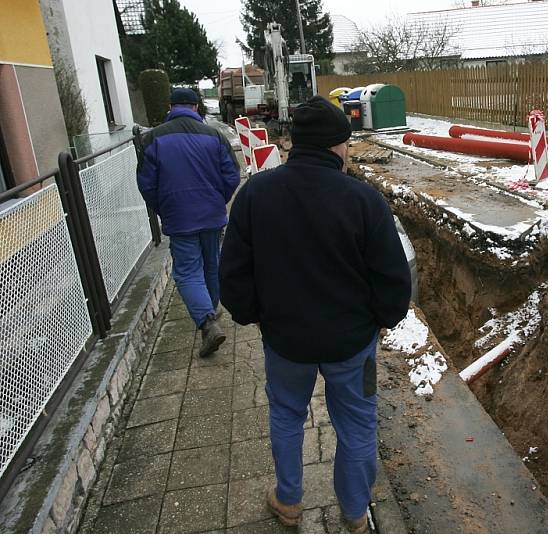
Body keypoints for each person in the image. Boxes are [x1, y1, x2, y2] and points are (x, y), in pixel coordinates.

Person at [219, 96, 411, 533]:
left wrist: (254, 316)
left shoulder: (255, 195)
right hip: (351, 343)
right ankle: (355, 512)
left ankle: (288, 502)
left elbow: (231, 270)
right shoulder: (364, 200)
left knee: (286, 416)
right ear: (337, 147)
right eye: (345, 144)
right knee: (357, 424)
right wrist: (383, 320)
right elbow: (392, 275)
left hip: (286, 341)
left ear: (293, 143)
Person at [137, 88, 240, 356]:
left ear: (170, 106)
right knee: (212, 263)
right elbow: (231, 176)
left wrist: (164, 208)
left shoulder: (153, 139)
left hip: (179, 217)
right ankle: (211, 309)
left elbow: (146, 184)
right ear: (196, 108)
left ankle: (207, 322)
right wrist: (218, 201)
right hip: (211, 215)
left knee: (187, 271)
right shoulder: (214, 136)